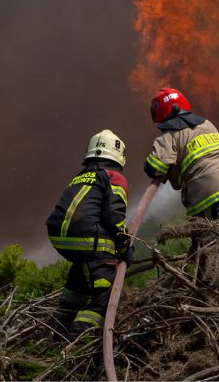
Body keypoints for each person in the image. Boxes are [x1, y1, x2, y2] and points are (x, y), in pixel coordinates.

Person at [44, 129, 132, 339]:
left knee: (80, 285)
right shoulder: (115, 177)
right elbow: (114, 216)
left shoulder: (80, 177)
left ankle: (56, 334)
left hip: (61, 238)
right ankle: (78, 341)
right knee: (106, 296)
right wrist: (124, 247)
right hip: (86, 239)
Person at [142, 87, 219, 219]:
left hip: (208, 196)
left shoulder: (167, 137)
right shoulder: (207, 124)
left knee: (213, 238)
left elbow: (153, 168)